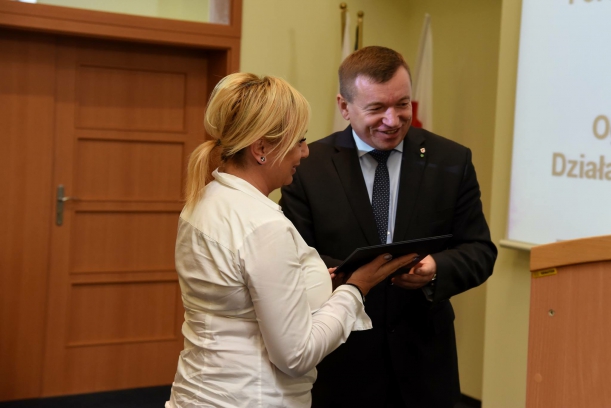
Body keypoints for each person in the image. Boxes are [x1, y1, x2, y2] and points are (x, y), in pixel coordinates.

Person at [165, 72, 416, 408]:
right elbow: (296, 356)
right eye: (299, 141)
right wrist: (356, 289)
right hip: (253, 398)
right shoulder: (263, 226)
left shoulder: (206, 199)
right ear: (261, 149)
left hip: (199, 392)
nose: (305, 152)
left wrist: (312, 282)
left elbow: (236, 298)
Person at [280, 46, 498, 407]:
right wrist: (352, 278)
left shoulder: (451, 160)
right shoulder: (307, 166)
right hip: (341, 364)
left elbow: (480, 250)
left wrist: (435, 268)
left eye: (402, 104)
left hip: (425, 365)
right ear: (344, 107)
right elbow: (293, 258)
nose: (393, 120)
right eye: (377, 108)